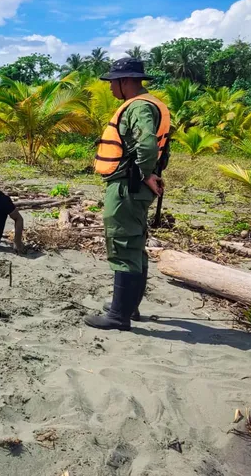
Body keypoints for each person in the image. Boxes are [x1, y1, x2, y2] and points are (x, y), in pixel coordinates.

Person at [84, 58, 170, 331]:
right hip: (132, 185)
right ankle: (128, 307)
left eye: (112, 83)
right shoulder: (146, 104)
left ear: (125, 82)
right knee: (133, 245)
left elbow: (146, 144)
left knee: (123, 244)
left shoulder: (139, 107)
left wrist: (145, 174)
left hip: (128, 186)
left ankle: (118, 316)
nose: (110, 88)